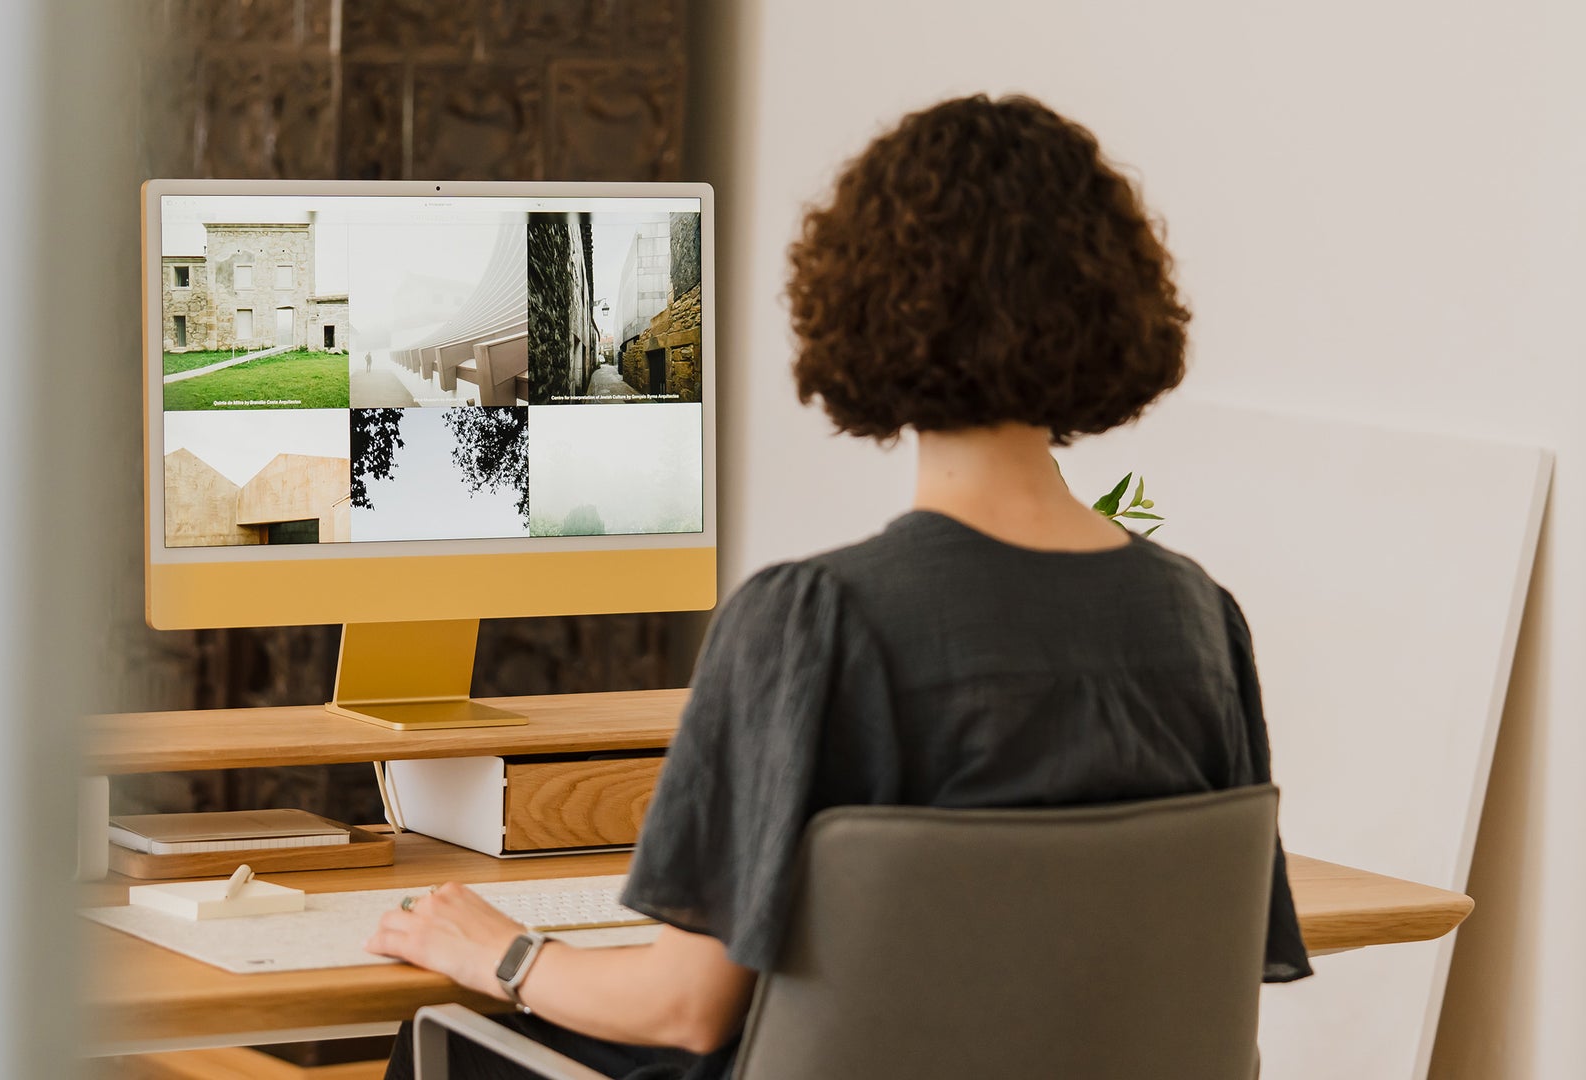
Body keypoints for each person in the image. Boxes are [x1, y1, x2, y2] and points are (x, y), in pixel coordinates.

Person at [365, 93, 1312, 1080]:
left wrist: (496, 950)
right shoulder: (1199, 622)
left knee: (446, 1039)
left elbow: (684, 1008)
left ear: (863, 304)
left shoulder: (820, 621)